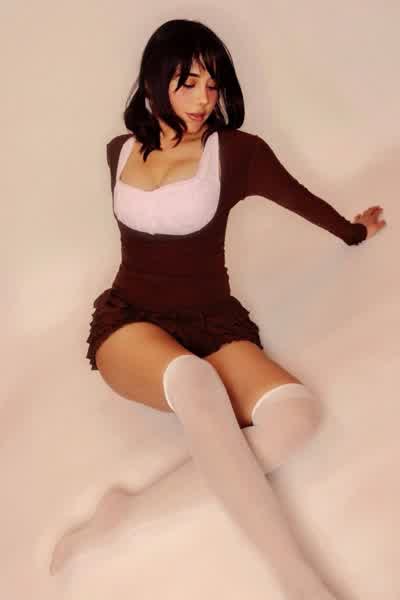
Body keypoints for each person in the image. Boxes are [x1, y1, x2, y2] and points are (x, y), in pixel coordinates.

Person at [60, 19, 386, 593]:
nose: (203, 99)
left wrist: (353, 232)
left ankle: (126, 513)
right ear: (155, 80)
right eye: (188, 83)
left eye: (212, 85)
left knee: (296, 418)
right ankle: (298, 579)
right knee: (193, 380)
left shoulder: (236, 153)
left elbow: (298, 198)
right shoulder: (117, 152)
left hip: (211, 321)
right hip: (130, 322)